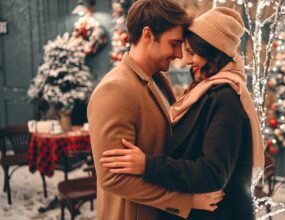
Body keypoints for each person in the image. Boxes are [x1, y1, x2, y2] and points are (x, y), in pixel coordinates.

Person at [100, 7, 265, 220]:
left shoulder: (224, 97)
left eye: (192, 51)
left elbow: (212, 173)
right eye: (179, 46)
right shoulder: (203, 89)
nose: (184, 59)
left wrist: (147, 164)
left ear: (214, 51)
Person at [87, 1, 224, 219]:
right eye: (174, 43)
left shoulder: (158, 79)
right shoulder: (114, 90)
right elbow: (113, 178)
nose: (179, 54)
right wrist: (185, 201)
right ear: (148, 35)